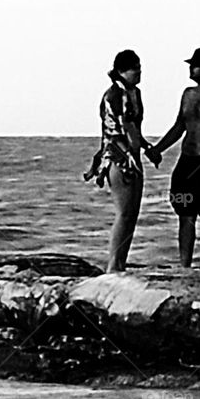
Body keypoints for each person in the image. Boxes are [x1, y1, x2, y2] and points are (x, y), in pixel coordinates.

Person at [146, 47, 200, 269]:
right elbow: (180, 126)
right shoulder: (187, 94)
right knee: (185, 214)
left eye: (195, 66)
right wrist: (159, 149)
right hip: (187, 160)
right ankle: (184, 266)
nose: (191, 69)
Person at [84, 49, 159, 273]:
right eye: (134, 68)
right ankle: (114, 265)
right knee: (124, 212)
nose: (139, 72)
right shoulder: (114, 95)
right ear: (121, 71)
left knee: (132, 214)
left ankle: (121, 263)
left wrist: (146, 147)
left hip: (132, 156)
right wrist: (127, 156)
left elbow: (134, 128)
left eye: (139, 67)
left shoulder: (135, 93)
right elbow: (116, 131)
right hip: (117, 157)